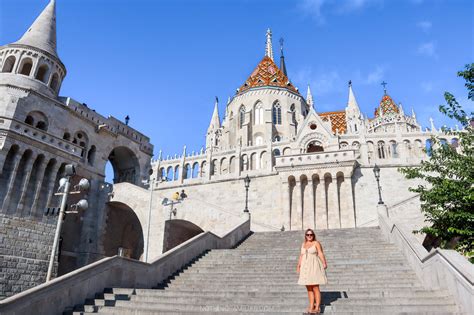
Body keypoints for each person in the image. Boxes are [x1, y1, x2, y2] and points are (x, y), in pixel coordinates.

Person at [297, 228, 328, 314]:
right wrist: (298, 266)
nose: (309, 236)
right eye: (308, 235)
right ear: (305, 236)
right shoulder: (303, 244)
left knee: (315, 286)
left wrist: (324, 263)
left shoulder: (316, 243)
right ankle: (311, 306)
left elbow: (320, 253)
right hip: (305, 267)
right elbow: (301, 255)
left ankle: (317, 307)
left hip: (314, 266)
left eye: (311, 235)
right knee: (308, 288)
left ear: (313, 235)